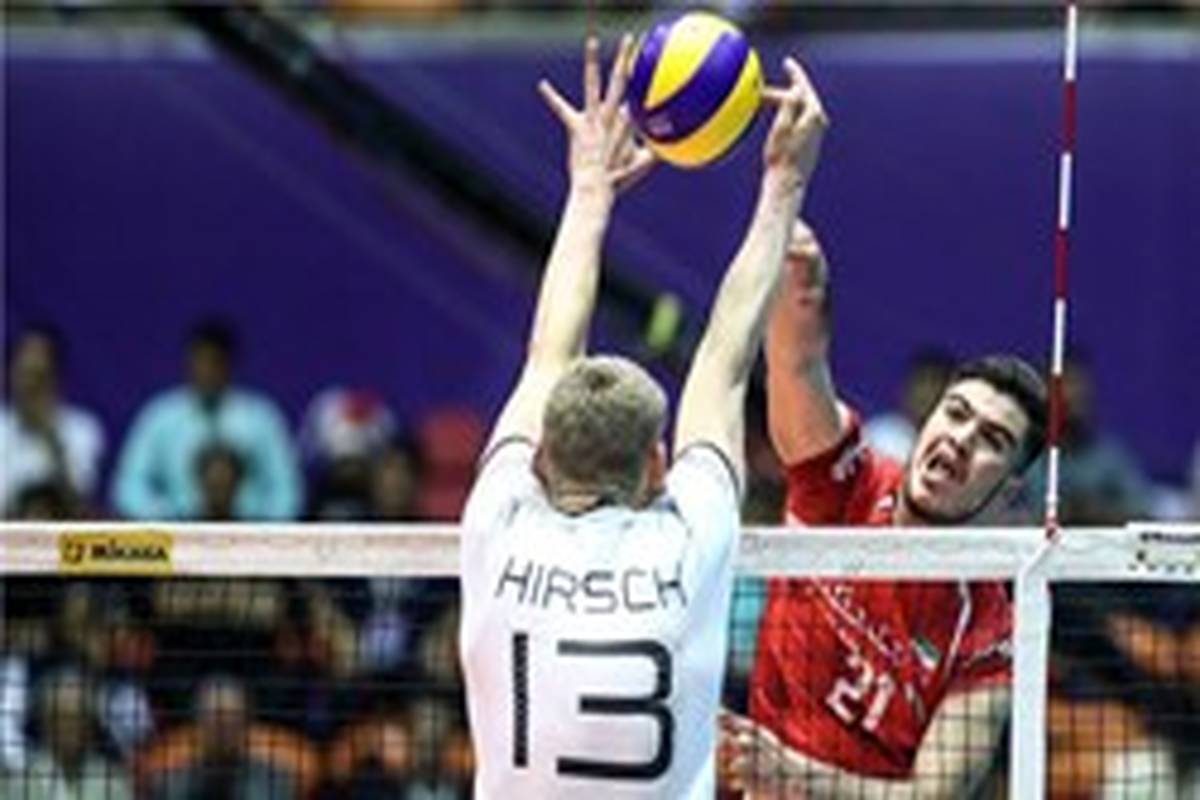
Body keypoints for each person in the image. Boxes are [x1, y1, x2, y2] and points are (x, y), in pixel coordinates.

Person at [457, 32, 828, 798]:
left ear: (538, 458)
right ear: (658, 466)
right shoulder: (690, 543)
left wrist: (588, 190)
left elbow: (547, 355)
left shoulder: (497, 526)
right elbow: (724, 360)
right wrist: (785, 183)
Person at [719, 220, 1048, 798]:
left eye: (992, 440)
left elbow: (932, 796)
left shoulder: (991, 633)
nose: (961, 439)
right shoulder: (849, 480)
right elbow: (797, 365)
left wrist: (790, 774)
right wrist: (800, 281)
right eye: (956, 413)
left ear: (1010, 490)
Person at [111, 319, 302, 520]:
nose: (206, 371)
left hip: (248, 529)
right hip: (179, 528)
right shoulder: (160, 416)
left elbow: (287, 490)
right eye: (199, 362)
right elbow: (128, 488)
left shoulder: (261, 418)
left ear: (230, 365)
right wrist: (168, 518)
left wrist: (260, 526)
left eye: (214, 362)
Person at [1, 325, 105, 517]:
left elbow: (79, 501)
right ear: (10, 374)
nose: (30, 386)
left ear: (56, 376)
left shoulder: (82, 428)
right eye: (25, 374)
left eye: (39, 376)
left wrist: (50, 437)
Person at [0, 668, 133, 800]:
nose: (71, 730)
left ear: (90, 727)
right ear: (46, 724)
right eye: (63, 720)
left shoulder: (111, 780)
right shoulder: (21, 779)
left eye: (78, 720)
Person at [863, 348, 955, 465]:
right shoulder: (879, 435)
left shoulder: (953, 444)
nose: (926, 393)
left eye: (934, 384)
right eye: (921, 383)